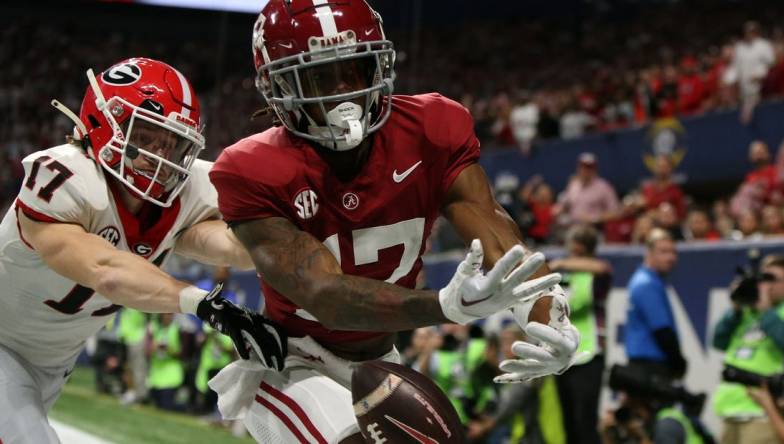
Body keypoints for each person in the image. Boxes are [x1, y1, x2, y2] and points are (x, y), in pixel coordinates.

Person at [207, 1, 581, 442]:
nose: (342, 91)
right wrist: (444, 306)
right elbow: (324, 295)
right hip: (293, 362)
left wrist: (546, 313)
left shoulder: (431, 127)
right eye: (319, 76)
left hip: (382, 360)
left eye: (356, 70)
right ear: (278, 86)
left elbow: (494, 232)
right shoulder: (250, 168)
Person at [0, 57, 286, 443]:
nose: (161, 157)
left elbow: (235, 246)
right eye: (148, 137)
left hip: (52, 363)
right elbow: (107, 270)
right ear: (106, 124)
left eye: (173, 144)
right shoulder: (65, 179)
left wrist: (294, 238)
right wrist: (204, 304)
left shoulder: (186, 194)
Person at [712, 254, 784, 444]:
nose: (765, 285)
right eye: (763, 278)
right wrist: (735, 309)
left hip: (763, 413)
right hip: (731, 408)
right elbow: (718, 341)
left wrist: (766, 311)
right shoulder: (748, 311)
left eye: (772, 279)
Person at [550, 224, 613, 444]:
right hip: (563, 356)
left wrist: (562, 263)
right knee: (568, 424)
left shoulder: (595, 275)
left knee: (584, 421)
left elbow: (604, 269)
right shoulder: (562, 276)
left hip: (588, 354)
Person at [624, 228, 686, 380]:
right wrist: (678, 361)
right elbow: (662, 330)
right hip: (650, 367)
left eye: (673, 252)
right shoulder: (647, 284)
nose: (671, 258)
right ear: (649, 253)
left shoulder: (645, 280)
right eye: (664, 252)